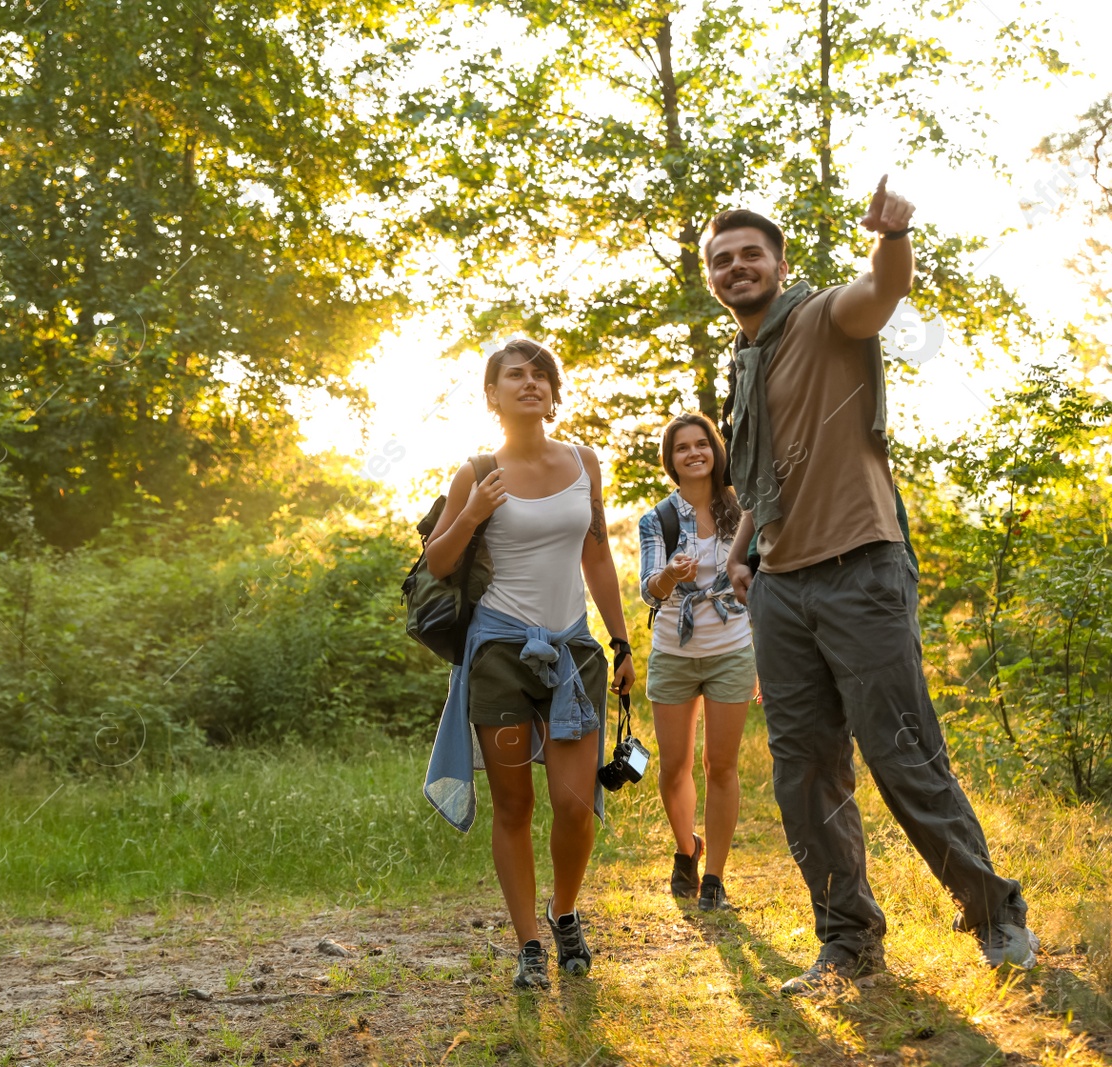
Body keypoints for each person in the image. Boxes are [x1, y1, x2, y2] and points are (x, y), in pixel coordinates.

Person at [707, 176, 1036, 997]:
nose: (737, 267)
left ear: (780, 265)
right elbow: (761, 482)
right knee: (805, 771)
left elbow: (882, 292)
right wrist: (743, 555)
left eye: (752, 254)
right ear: (711, 278)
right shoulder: (744, 360)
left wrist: (891, 239)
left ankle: (994, 914)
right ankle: (848, 940)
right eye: (722, 259)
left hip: (860, 568)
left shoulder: (822, 318)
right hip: (781, 588)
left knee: (900, 751)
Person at [422, 338, 636, 990]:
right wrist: (475, 512)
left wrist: (622, 641)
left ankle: (564, 910)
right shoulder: (476, 471)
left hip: (572, 652)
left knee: (574, 805)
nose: (530, 381)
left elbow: (597, 555)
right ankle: (529, 945)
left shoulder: (584, 463)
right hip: (499, 655)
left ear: (553, 390)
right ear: (493, 394)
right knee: (513, 805)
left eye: (540, 373)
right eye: (514, 374)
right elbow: (438, 560)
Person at [638, 413, 754, 912]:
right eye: (682, 447)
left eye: (701, 444)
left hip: (732, 649)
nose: (693, 453)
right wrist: (668, 574)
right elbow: (649, 590)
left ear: (715, 450)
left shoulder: (743, 509)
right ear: (671, 459)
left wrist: (766, 658)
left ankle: (714, 879)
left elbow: (763, 584)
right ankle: (688, 849)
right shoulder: (656, 519)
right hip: (673, 652)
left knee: (720, 766)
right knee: (674, 767)